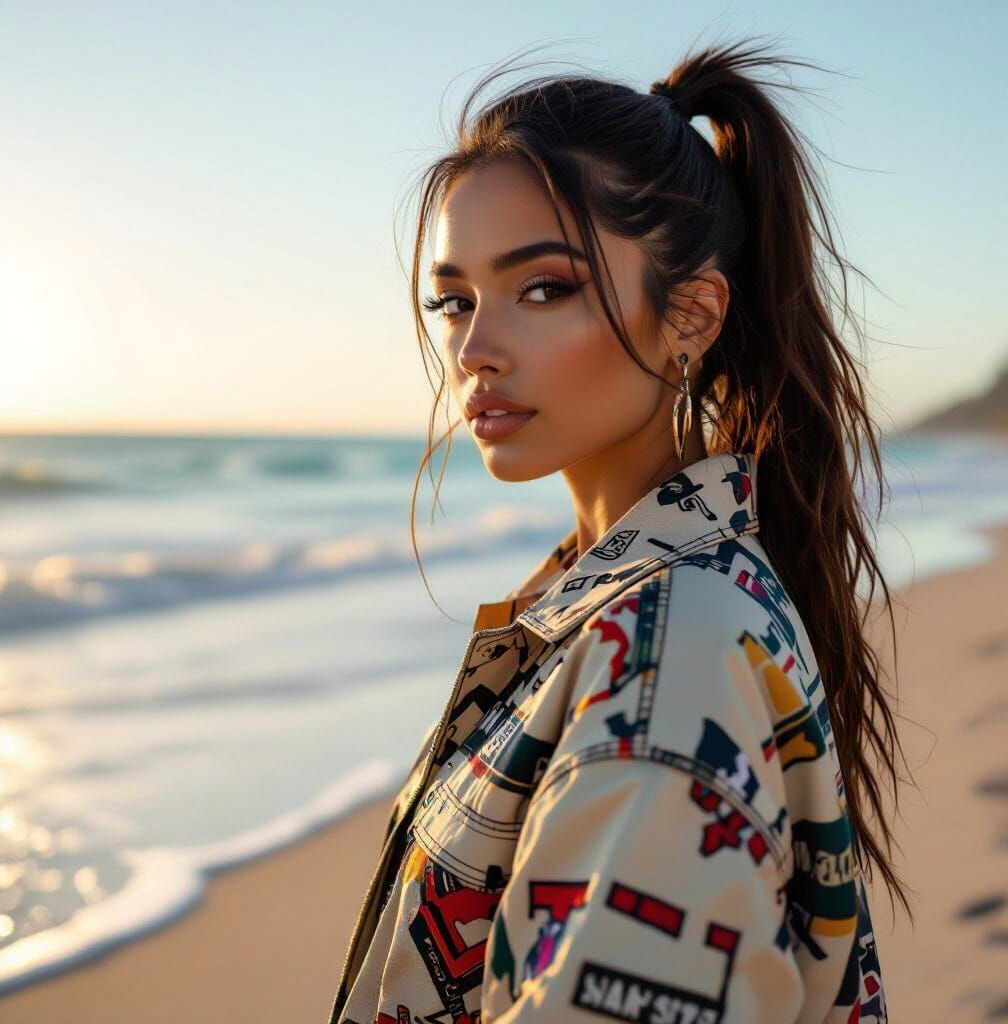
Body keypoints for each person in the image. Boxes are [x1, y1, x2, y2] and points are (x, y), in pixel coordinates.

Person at [329, 36, 912, 1024]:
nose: (475, 348)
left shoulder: (667, 653)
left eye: (543, 288)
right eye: (454, 300)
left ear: (689, 315)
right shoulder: (620, 603)